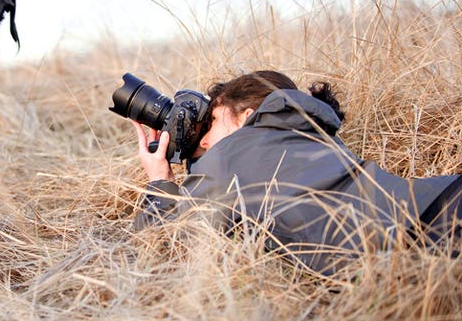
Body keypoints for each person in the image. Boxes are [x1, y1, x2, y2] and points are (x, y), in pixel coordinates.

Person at [131, 70, 462, 275]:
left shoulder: (232, 158)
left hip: (427, 237)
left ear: (246, 117)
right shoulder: (311, 135)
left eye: (213, 122)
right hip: (441, 204)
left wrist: (160, 180)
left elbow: (158, 247)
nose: (203, 139)